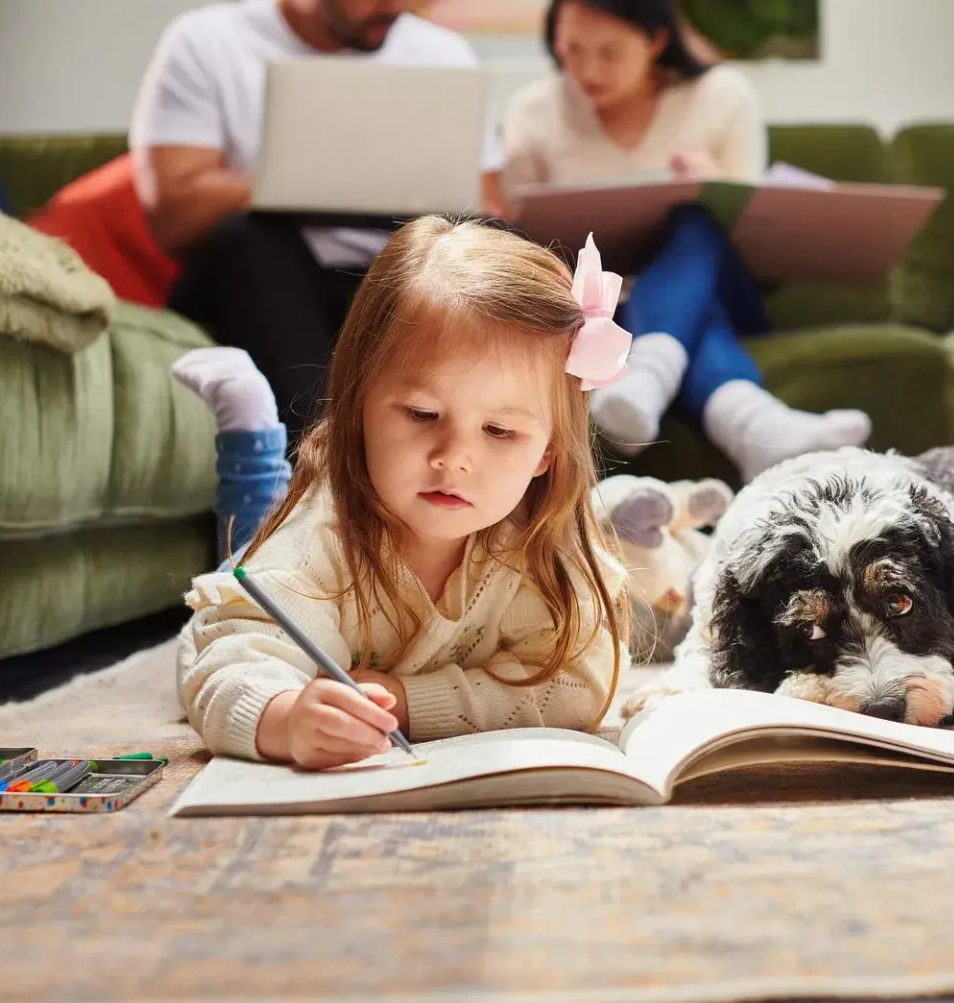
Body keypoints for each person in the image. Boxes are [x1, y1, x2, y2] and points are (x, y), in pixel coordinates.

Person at [172, 216, 631, 770]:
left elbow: (582, 684)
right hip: (293, 541)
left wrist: (409, 702)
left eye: (500, 431)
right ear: (358, 401)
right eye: (422, 414)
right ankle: (250, 440)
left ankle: (265, 458)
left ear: (548, 452)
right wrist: (286, 717)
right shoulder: (312, 547)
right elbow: (226, 665)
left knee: (267, 510)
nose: (453, 457)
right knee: (253, 530)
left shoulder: (539, 543)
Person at [495, 0, 872, 482]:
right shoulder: (533, 111)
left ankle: (646, 373)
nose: (586, 71)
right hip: (598, 304)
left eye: (609, 53)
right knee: (651, 309)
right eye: (572, 49)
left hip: (723, 288)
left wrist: (713, 186)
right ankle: (755, 424)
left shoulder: (722, 96)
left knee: (697, 218)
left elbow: (749, 237)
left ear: (656, 41)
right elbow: (522, 236)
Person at [131, 0, 497, 438]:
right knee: (252, 241)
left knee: (497, 248)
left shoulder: (443, 55)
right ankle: (317, 472)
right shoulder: (209, 42)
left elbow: (489, 202)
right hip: (266, 276)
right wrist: (299, 177)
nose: (394, 2)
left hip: (394, 276)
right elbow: (173, 211)